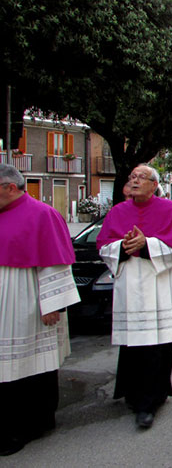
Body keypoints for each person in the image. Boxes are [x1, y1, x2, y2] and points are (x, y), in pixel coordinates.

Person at [97, 164, 172, 429]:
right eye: (132, 177)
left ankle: (150, 401)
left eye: (141, 178)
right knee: (132, 344)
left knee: (155, 344)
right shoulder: (118, 211)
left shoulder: (170, 210)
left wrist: (146, 244)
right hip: (129, 288)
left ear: (154, 184)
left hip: (158, 288)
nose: (135, 181)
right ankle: (131, 393)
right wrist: (123, 246)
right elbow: (104, 246)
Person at [0, 164, 81, 456]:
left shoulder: (42, 214)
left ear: (10, 187)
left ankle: (27, 426)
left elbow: (55, 262)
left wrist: (53, 305)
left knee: (28, 367)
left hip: (27, 299)